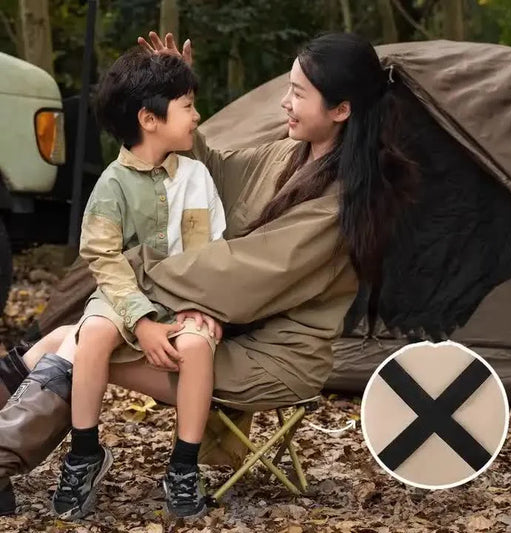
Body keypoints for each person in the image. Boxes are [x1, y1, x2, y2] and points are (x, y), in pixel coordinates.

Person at [0, 31, 418, 519]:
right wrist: (169, 103)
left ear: (341, 110)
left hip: (273, 356)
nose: (285, 102)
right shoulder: (288, 154)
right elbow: (211, 171)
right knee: (66, 341)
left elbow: (245, 272)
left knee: (73, 346)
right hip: (231, 325)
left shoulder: (342, 202)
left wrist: (129, 271)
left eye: (298, 93)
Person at [52, 47, 225, 520]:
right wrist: (141, 319)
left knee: (197, 344)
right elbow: (102, 258)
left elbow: (212, 251)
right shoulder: (111, 185)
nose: (197, 116)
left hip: (183, 295)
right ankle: (84, 454)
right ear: (149, 120)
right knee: (92, 334)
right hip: (122, 292)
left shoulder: (197, 176)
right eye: (187, 106)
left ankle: (184, 466)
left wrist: (202, 305)